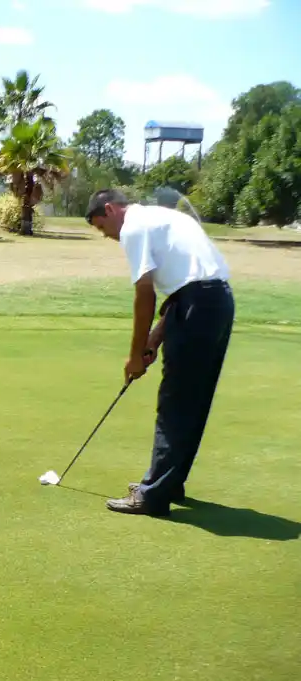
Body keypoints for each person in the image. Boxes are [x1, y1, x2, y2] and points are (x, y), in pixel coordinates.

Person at [85, 189, 235, 517]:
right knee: (194, 401)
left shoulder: (133, 227)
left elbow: (145, 295)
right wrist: (154, 339)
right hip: (217, 303)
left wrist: (135, 353)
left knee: (175, 402)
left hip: (197, 306)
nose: (107, 236)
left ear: (110, 209)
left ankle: (153, 495)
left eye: (101, 227)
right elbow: (187, 286)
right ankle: (169, 483)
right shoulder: (166, 217)